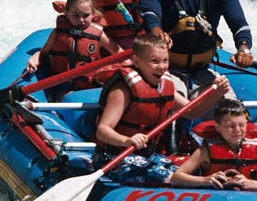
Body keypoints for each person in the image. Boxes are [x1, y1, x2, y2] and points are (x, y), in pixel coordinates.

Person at [93, 34, 231, 186]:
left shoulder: (164, 84)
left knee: (188, 172)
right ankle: (203, 183)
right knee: (168, 178)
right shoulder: (123, 89)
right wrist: (127, 140)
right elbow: (102, 130)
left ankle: (204, 182)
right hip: (113, 157)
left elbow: (192, 113)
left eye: (165, 61)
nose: (162, 67)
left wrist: (215, 93)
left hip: (147, 155)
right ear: (137, 61)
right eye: (154, 61)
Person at [25, 0, 118, 99]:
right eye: (75, 15)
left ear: (93, 14)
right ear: (67, 13)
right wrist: (35, 58)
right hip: (60, 86)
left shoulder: (99, 36)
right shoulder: (57, 33)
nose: (81, 20)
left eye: (86, 15)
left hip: (88, 89)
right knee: (64, 96)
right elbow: (44, 53)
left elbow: (120, 54)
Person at [171, 99, 257, 191]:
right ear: (218, 127)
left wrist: (253, 184)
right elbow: (176, 178)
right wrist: (205, 180)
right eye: (231, 126)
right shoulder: (206, 150)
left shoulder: (255, 147)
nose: (237, 130)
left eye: (242, 125)